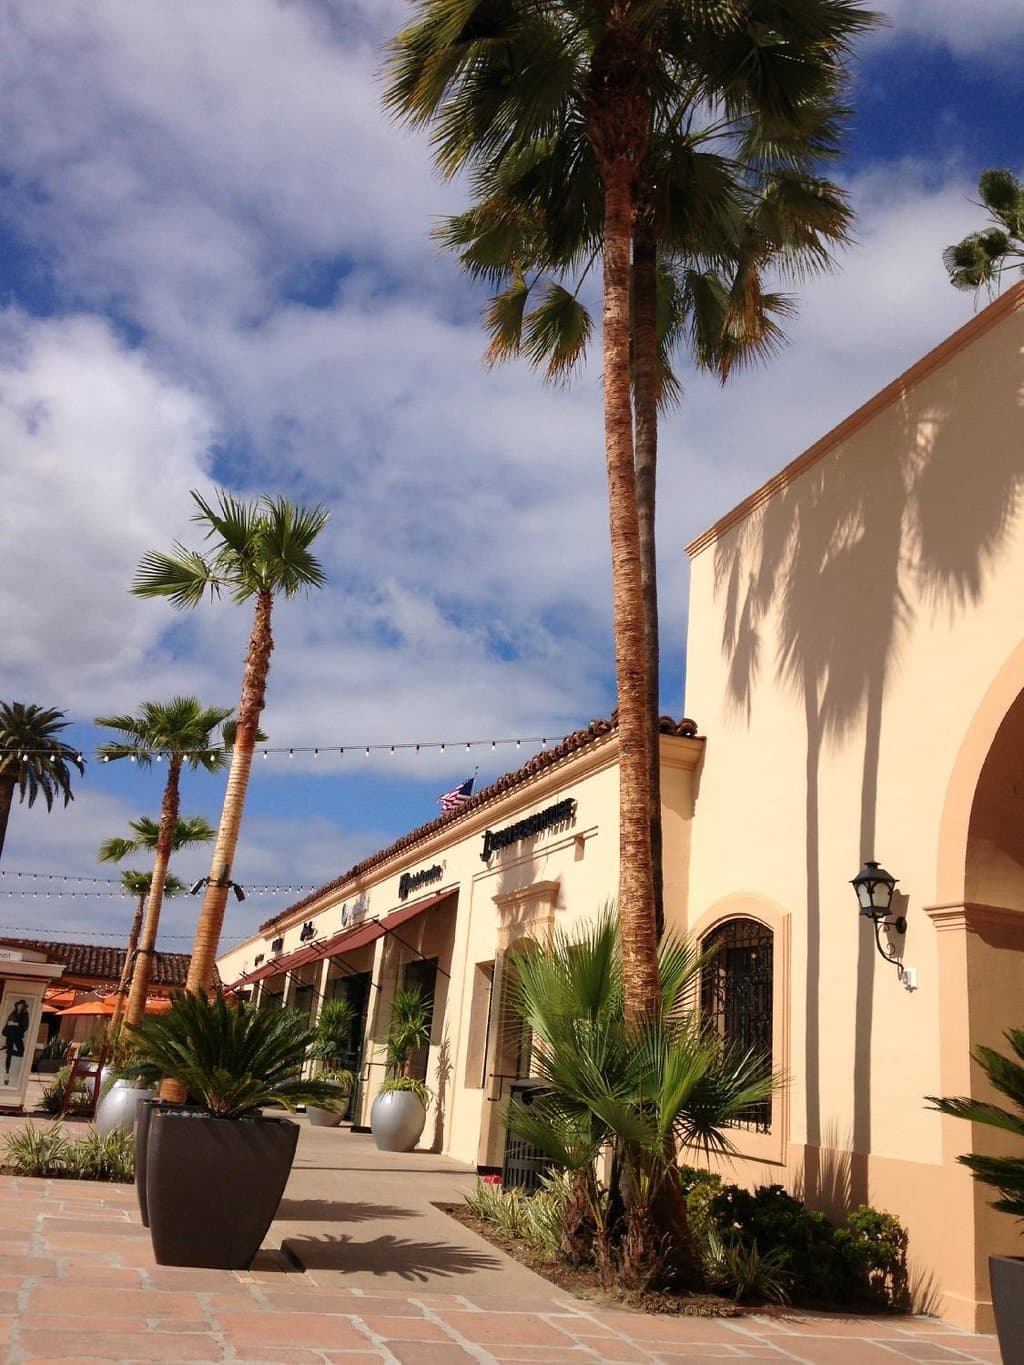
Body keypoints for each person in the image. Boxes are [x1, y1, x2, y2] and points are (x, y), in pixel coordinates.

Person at [2, 999, 29, 1084]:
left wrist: (16, 1024)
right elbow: (7, 1024)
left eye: (21, 1005)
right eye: (19, 1005)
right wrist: (11, 1024)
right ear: (17, 1005)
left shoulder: (25, 1014)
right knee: (9, 1056)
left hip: (17, 1035)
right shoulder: (13, 1013)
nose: (20, 1006)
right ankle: (7, 1075)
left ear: (23, 1006)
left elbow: (25, 1025)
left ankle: (8, 1050)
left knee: (21, 1052)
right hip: (10, 1034)